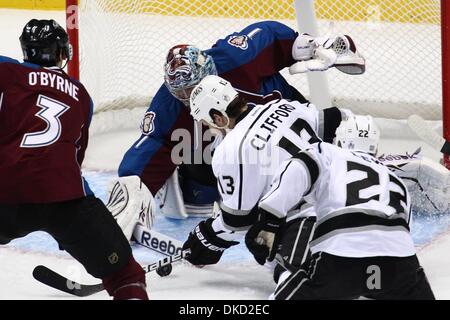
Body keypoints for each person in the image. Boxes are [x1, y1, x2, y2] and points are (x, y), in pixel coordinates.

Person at [116, 21, 364, 221]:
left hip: (285, 124)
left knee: (338, 140)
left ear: (210, 71)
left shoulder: (234, 58)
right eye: (180, 93)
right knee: (205, 156)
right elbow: (149, 145)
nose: (187, 98)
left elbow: (269, 36)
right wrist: (130, 191)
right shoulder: (168, 106)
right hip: (235, 161)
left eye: (192, 89)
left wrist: (313, 45)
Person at [0, 19, 148, 300]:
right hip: (66, 198)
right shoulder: (81, 96)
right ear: (60, 52)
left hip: (7, 193)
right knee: (126, 275)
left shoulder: (6, 71)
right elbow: (73, 159)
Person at [246, 141, 435, 299]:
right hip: (399, 263)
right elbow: (405, 230)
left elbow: (299, 166)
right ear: (375, 149)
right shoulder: (396, 179)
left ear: (341, 141)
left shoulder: (329, 152)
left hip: (342, 255)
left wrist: (269, 216)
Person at [180, 74, 329, 266]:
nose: (209, 128)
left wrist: (206, 237)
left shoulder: (231, 150)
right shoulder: (283, 105)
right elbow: (333, 122)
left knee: (270, 254)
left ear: (218, 117)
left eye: (207, 122)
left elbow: (237, 221)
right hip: (348, 196)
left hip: (308, 220)